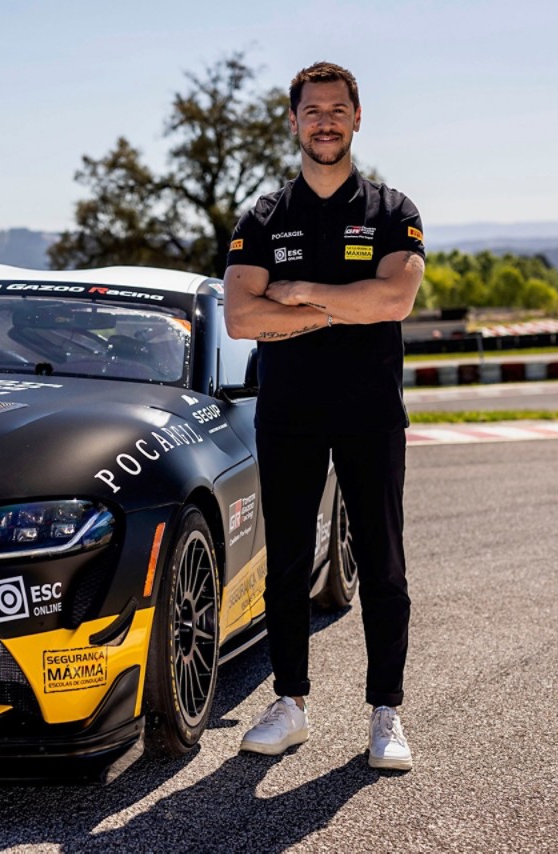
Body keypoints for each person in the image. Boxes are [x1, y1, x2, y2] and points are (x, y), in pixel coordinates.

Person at [222, 61, 425, 771]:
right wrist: (346, 303)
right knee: (285, 566)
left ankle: (386, 714)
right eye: (313, 111)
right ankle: (290, 704)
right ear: (294, 122)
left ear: (357, 119)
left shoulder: (393, 211)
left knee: (384, 567)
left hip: (371, 413)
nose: (326, 121)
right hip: (290, 415)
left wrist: (302, 294)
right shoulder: (263, 217)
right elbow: (242, 318)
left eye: (338, 110)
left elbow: (394, 302)